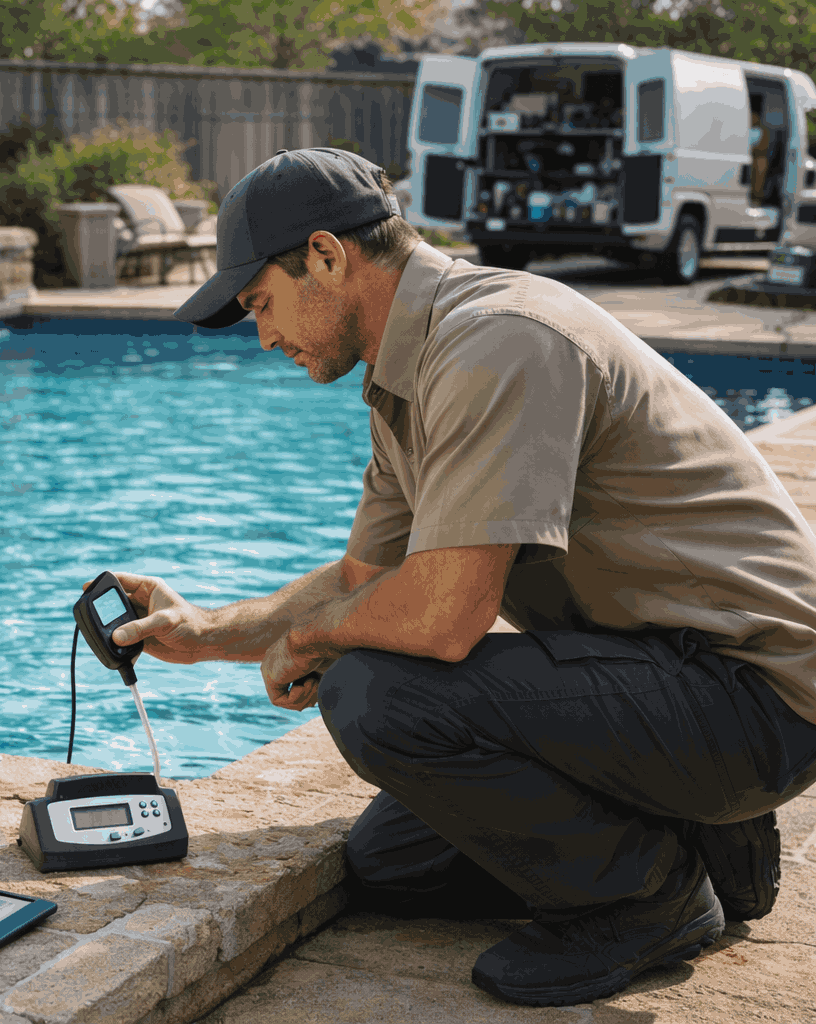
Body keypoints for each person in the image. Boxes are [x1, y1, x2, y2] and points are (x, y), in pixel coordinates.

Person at [103, 148, 816, 1008]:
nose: (264, 337)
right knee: (391, 866)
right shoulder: (407, 374)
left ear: (327, 256)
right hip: (667, 673)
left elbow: (445, 616)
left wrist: (312, 639)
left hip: (755, 697)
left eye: (261, 304)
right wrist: (208, 631)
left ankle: (646, 901)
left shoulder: (498, 342)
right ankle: (705, 839)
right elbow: (362, 577)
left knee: (374, 692)